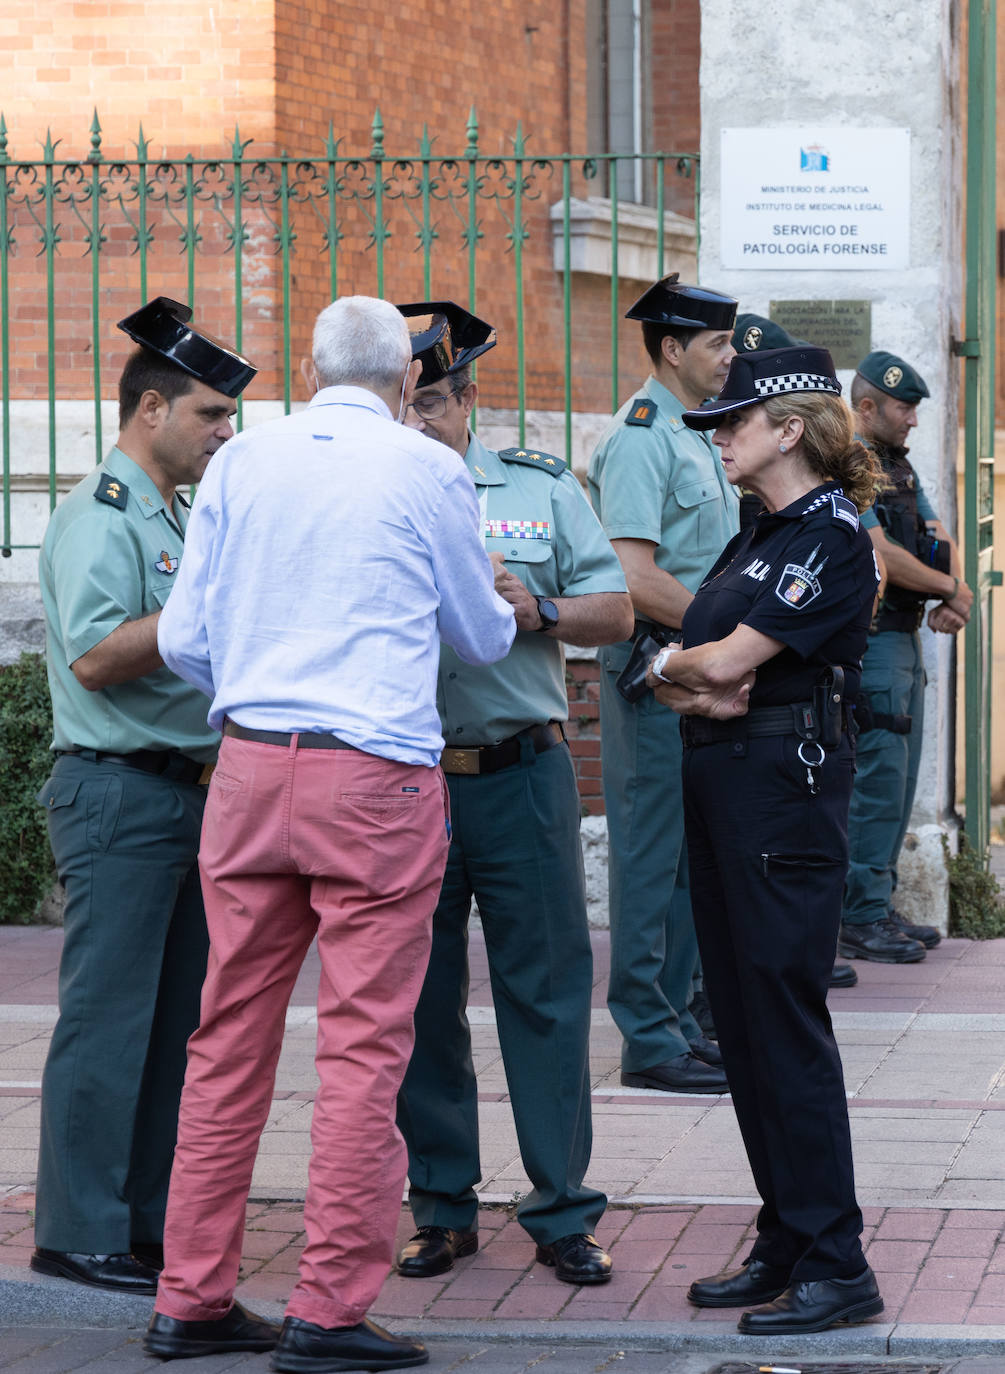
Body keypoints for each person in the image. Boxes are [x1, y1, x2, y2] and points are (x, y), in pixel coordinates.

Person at [143, 296, 516, 1369]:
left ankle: (192, 1295)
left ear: (308, 372)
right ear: (406, 381)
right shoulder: (424, 467)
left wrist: (258, 686)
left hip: (253, 765)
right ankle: (328, 1309)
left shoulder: (243, 465)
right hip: (376, 775)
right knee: (362, 1050)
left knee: (225, 1042)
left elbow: (184, 640)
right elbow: (483, 637)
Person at [391, 301, 634, 1286]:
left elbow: (616, 608)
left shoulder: (535, 489)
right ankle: (441, 1205)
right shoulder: (368, 490)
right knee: (417, 1002)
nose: (422, 425)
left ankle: (560, 1210)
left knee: (546, 997)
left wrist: (542, 608)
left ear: (469, 400)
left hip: (521, 775)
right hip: (404, 778)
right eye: (406, 406)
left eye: (439, 404)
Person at [645, 344, 885, 1334]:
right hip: (728, 778)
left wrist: (694, 665)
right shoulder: (759, 533)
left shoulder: (829, 536)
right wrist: (683, 666)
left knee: (782, 1024)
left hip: (783, 788)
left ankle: (837, 1262)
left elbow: (732, 662)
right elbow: (685, 666)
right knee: (740, 1026)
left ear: (790, 429)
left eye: (735, 422)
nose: (720, 436)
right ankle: (786, 1236)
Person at [32, 298, 255, 1295]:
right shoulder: (101, 516)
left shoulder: (175, 516)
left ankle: (146, 1221)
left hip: (185, 793)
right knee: (107, 1019)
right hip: (120, 795)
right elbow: (91, 654)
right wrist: (203, 614)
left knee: (176, 1027)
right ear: (152, 407)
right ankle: (77, 1228)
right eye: (211, 414)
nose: (226, 433)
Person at [587, 272, 737, 1093]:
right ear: (671, 348)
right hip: (655, 670)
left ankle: (675, 1019)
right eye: (716, 343)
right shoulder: (644, 436)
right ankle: (647, 1036)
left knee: (687, 858)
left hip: (688, 668)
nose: (729, 356)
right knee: (650, 858)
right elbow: (632, 573)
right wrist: (728, 640)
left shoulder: (694, 431)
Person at [839, 351, 971, 963]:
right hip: (873, 640)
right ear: (867, 407)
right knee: (878, 780)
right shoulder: (847, 461)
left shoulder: (899, 465)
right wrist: (947, 588)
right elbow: (882, 555)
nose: (914, 419)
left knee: (900, 780)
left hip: (904, 638)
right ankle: (858, 915)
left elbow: (942, 535)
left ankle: (877, 904)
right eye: (904, 407)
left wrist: (958, 588)